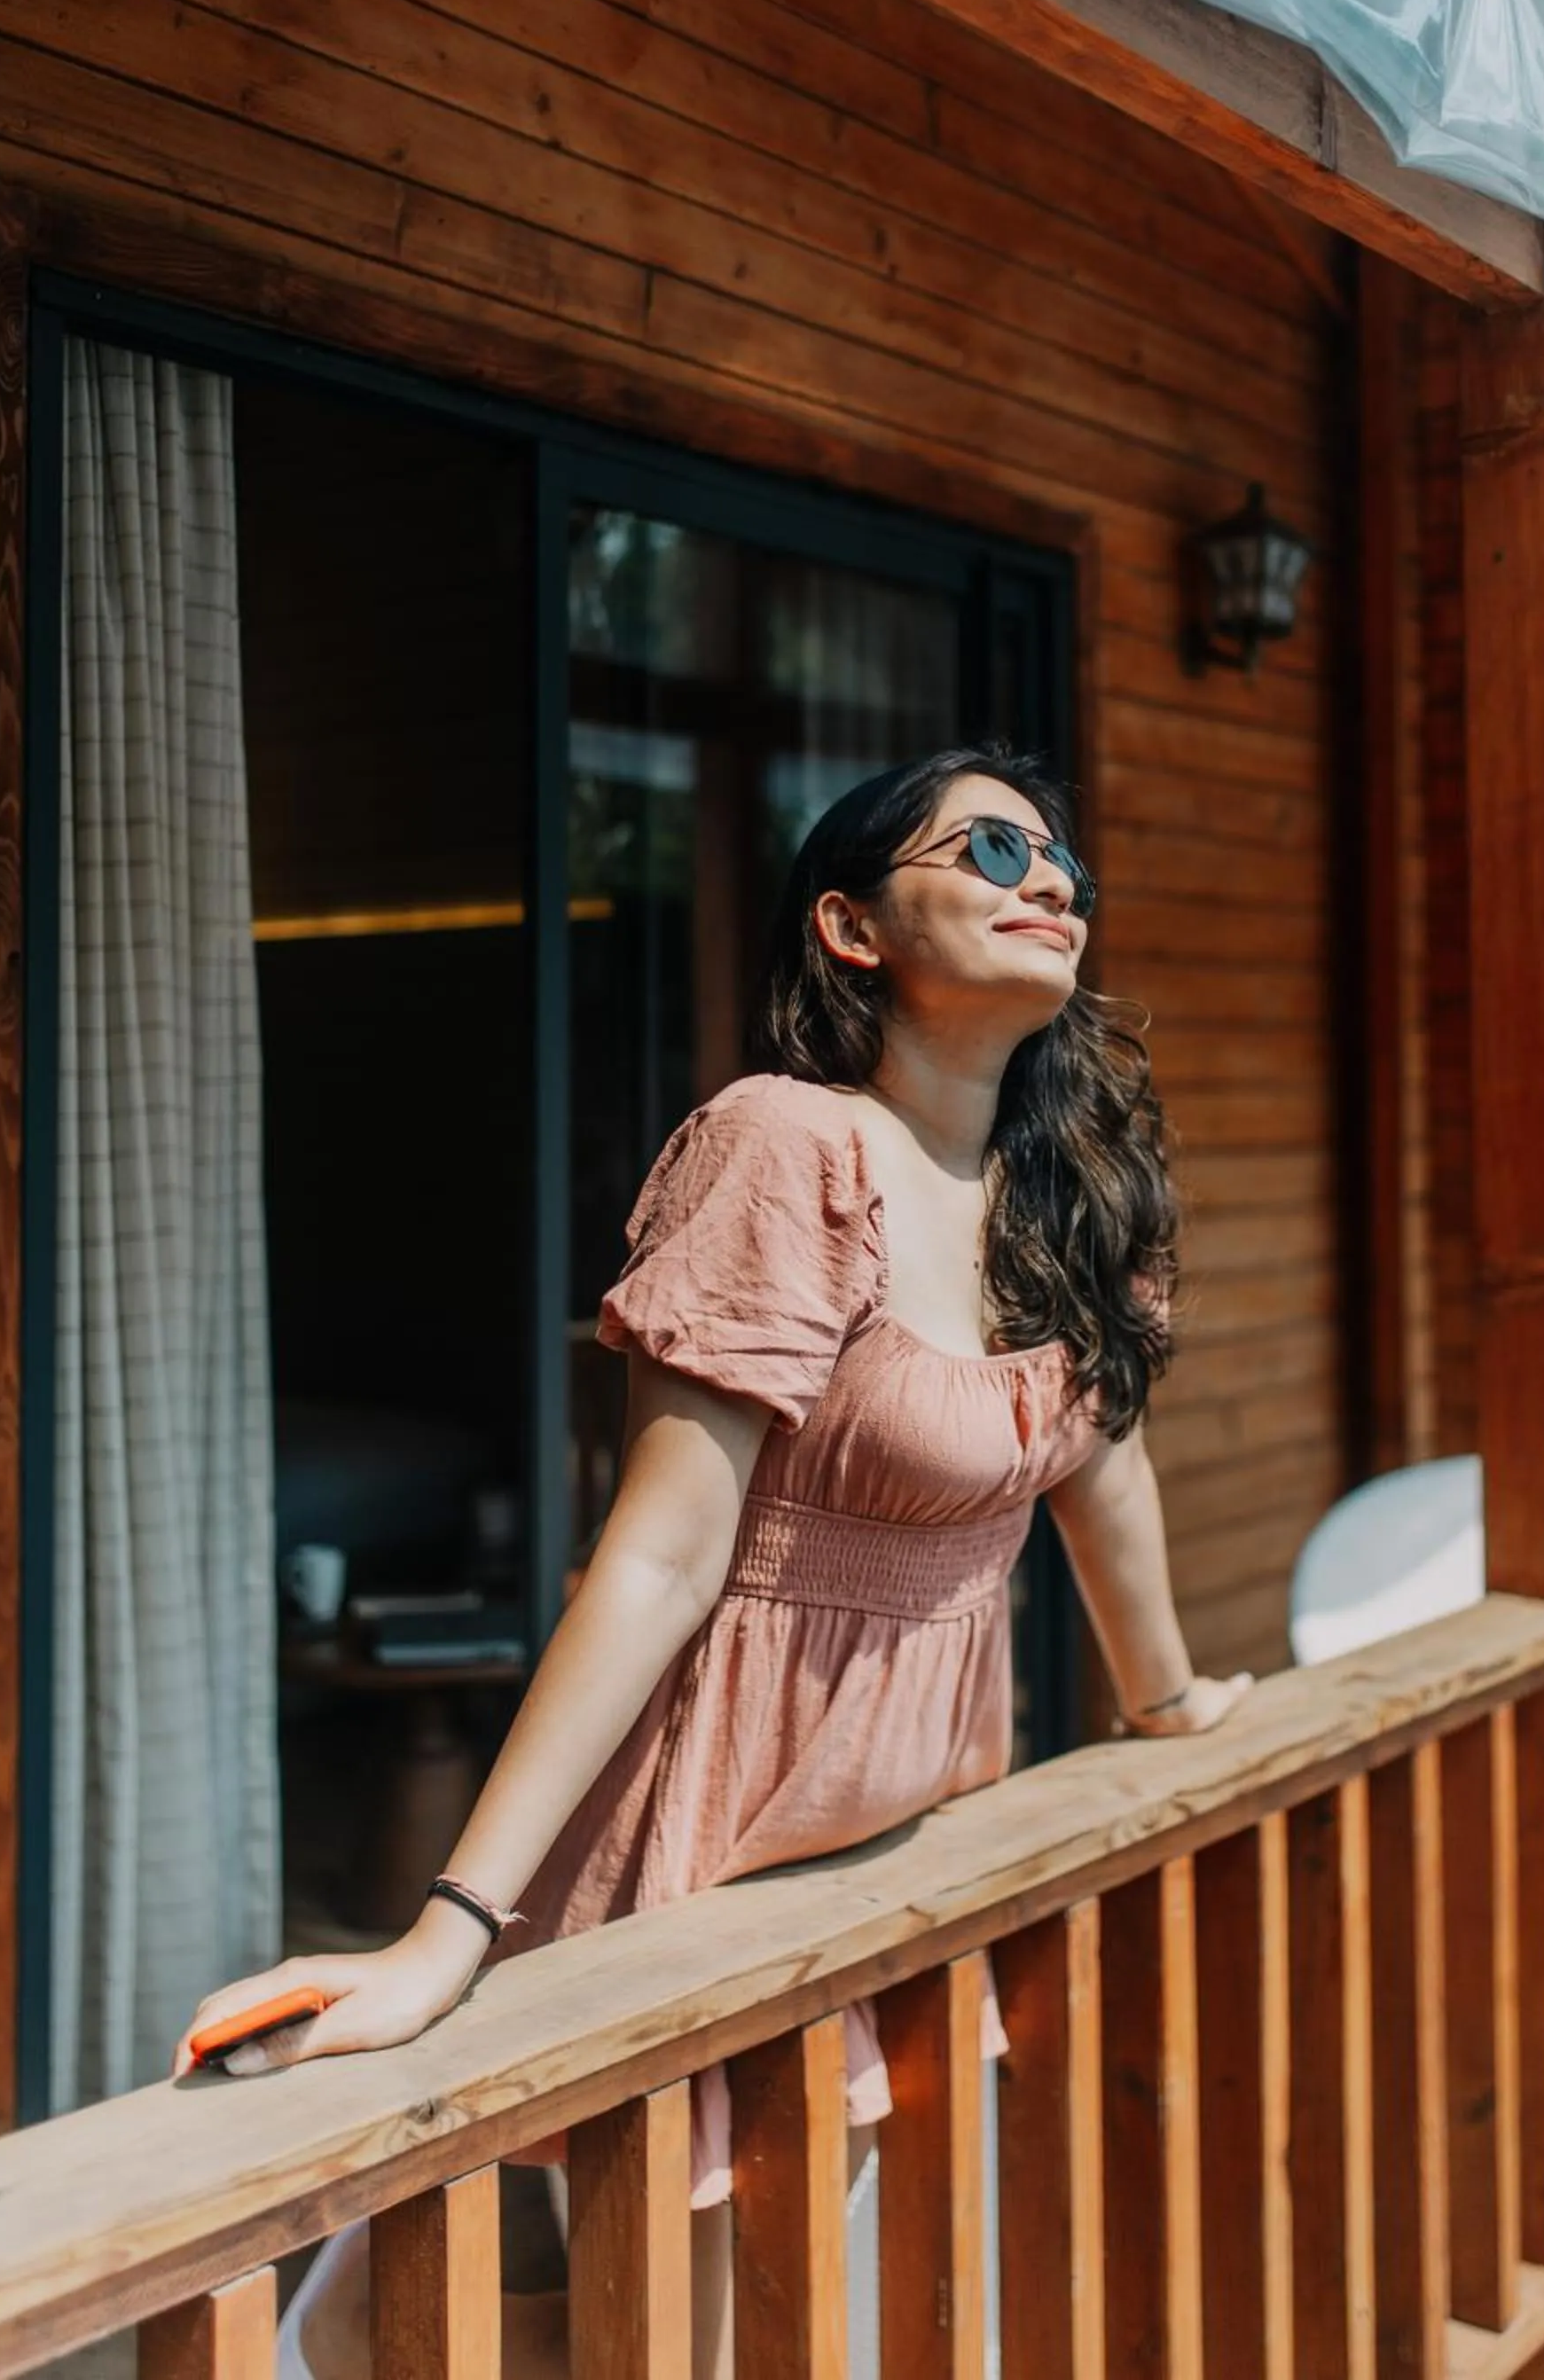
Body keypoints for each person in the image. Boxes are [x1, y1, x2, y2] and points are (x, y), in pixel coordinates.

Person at [178, 745, 1251, 2379]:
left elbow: (1104, 1477)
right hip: (698, 1843)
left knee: (771, 2315)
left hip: (892, 1863)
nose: (1052, 882)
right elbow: (663, 1558)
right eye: (991, 848)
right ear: (851, 924)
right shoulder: (784, 1150)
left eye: (1066, 868)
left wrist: (1167, 1704)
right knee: (608, 2338)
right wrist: (452, 1928)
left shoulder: (1074, 1195)